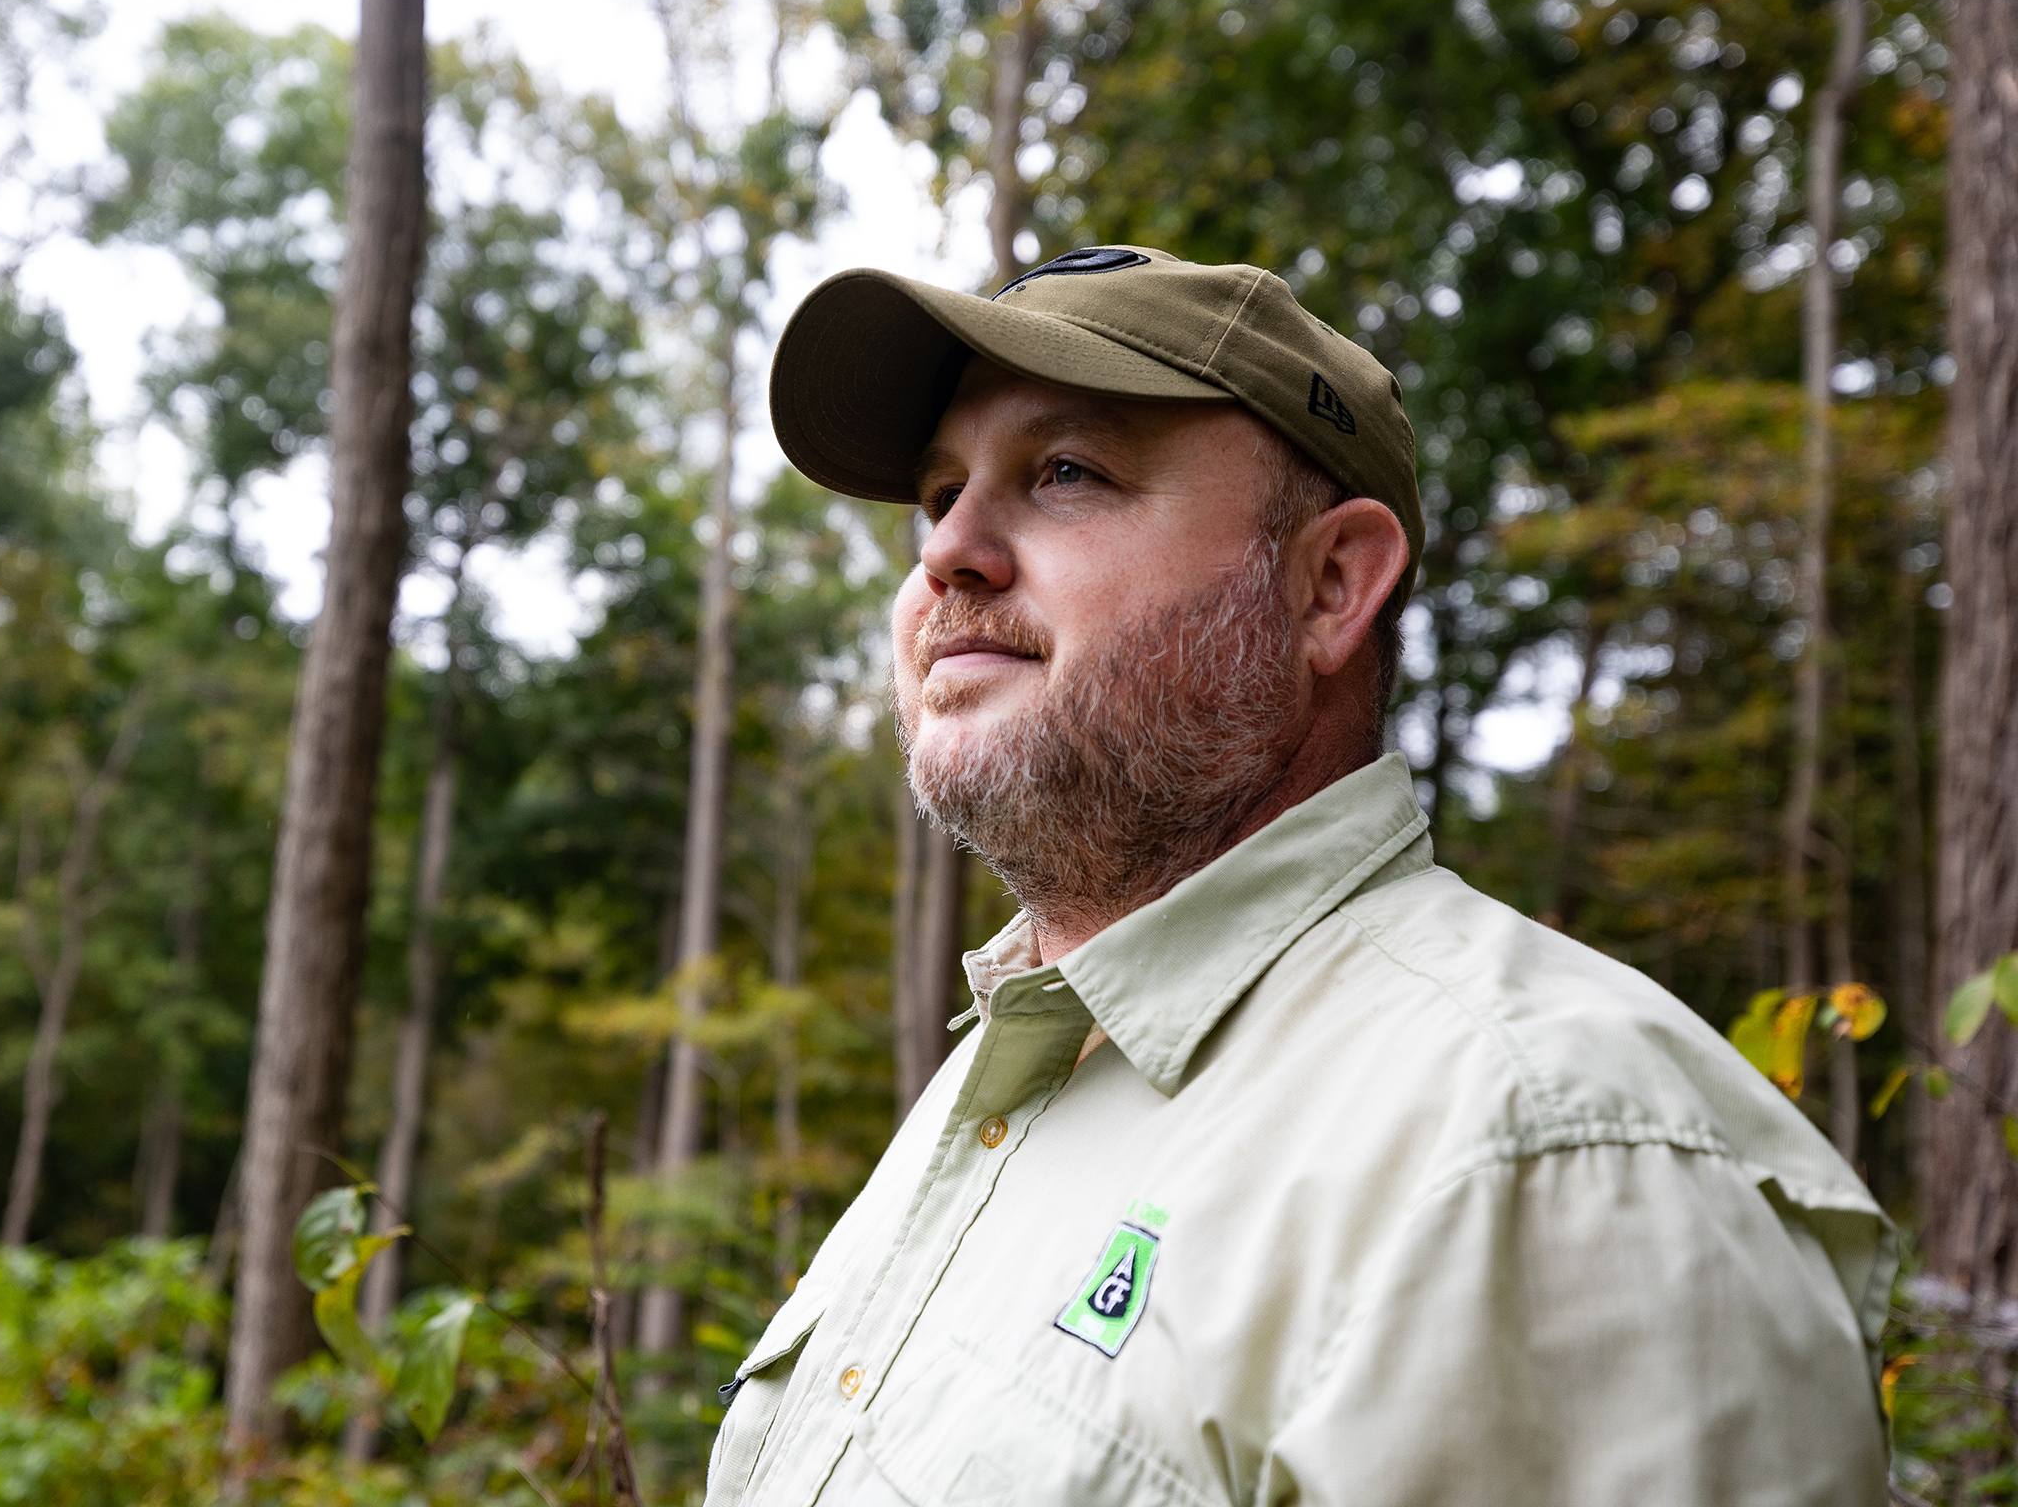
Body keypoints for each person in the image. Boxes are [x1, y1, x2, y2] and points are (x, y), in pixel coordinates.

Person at [707, 246, 1892, 1506]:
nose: (949, 550)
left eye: (1065, 473)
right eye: (939, 492)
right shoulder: (1003, 1082)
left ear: (1328, 586)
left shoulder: (1542, 1151)